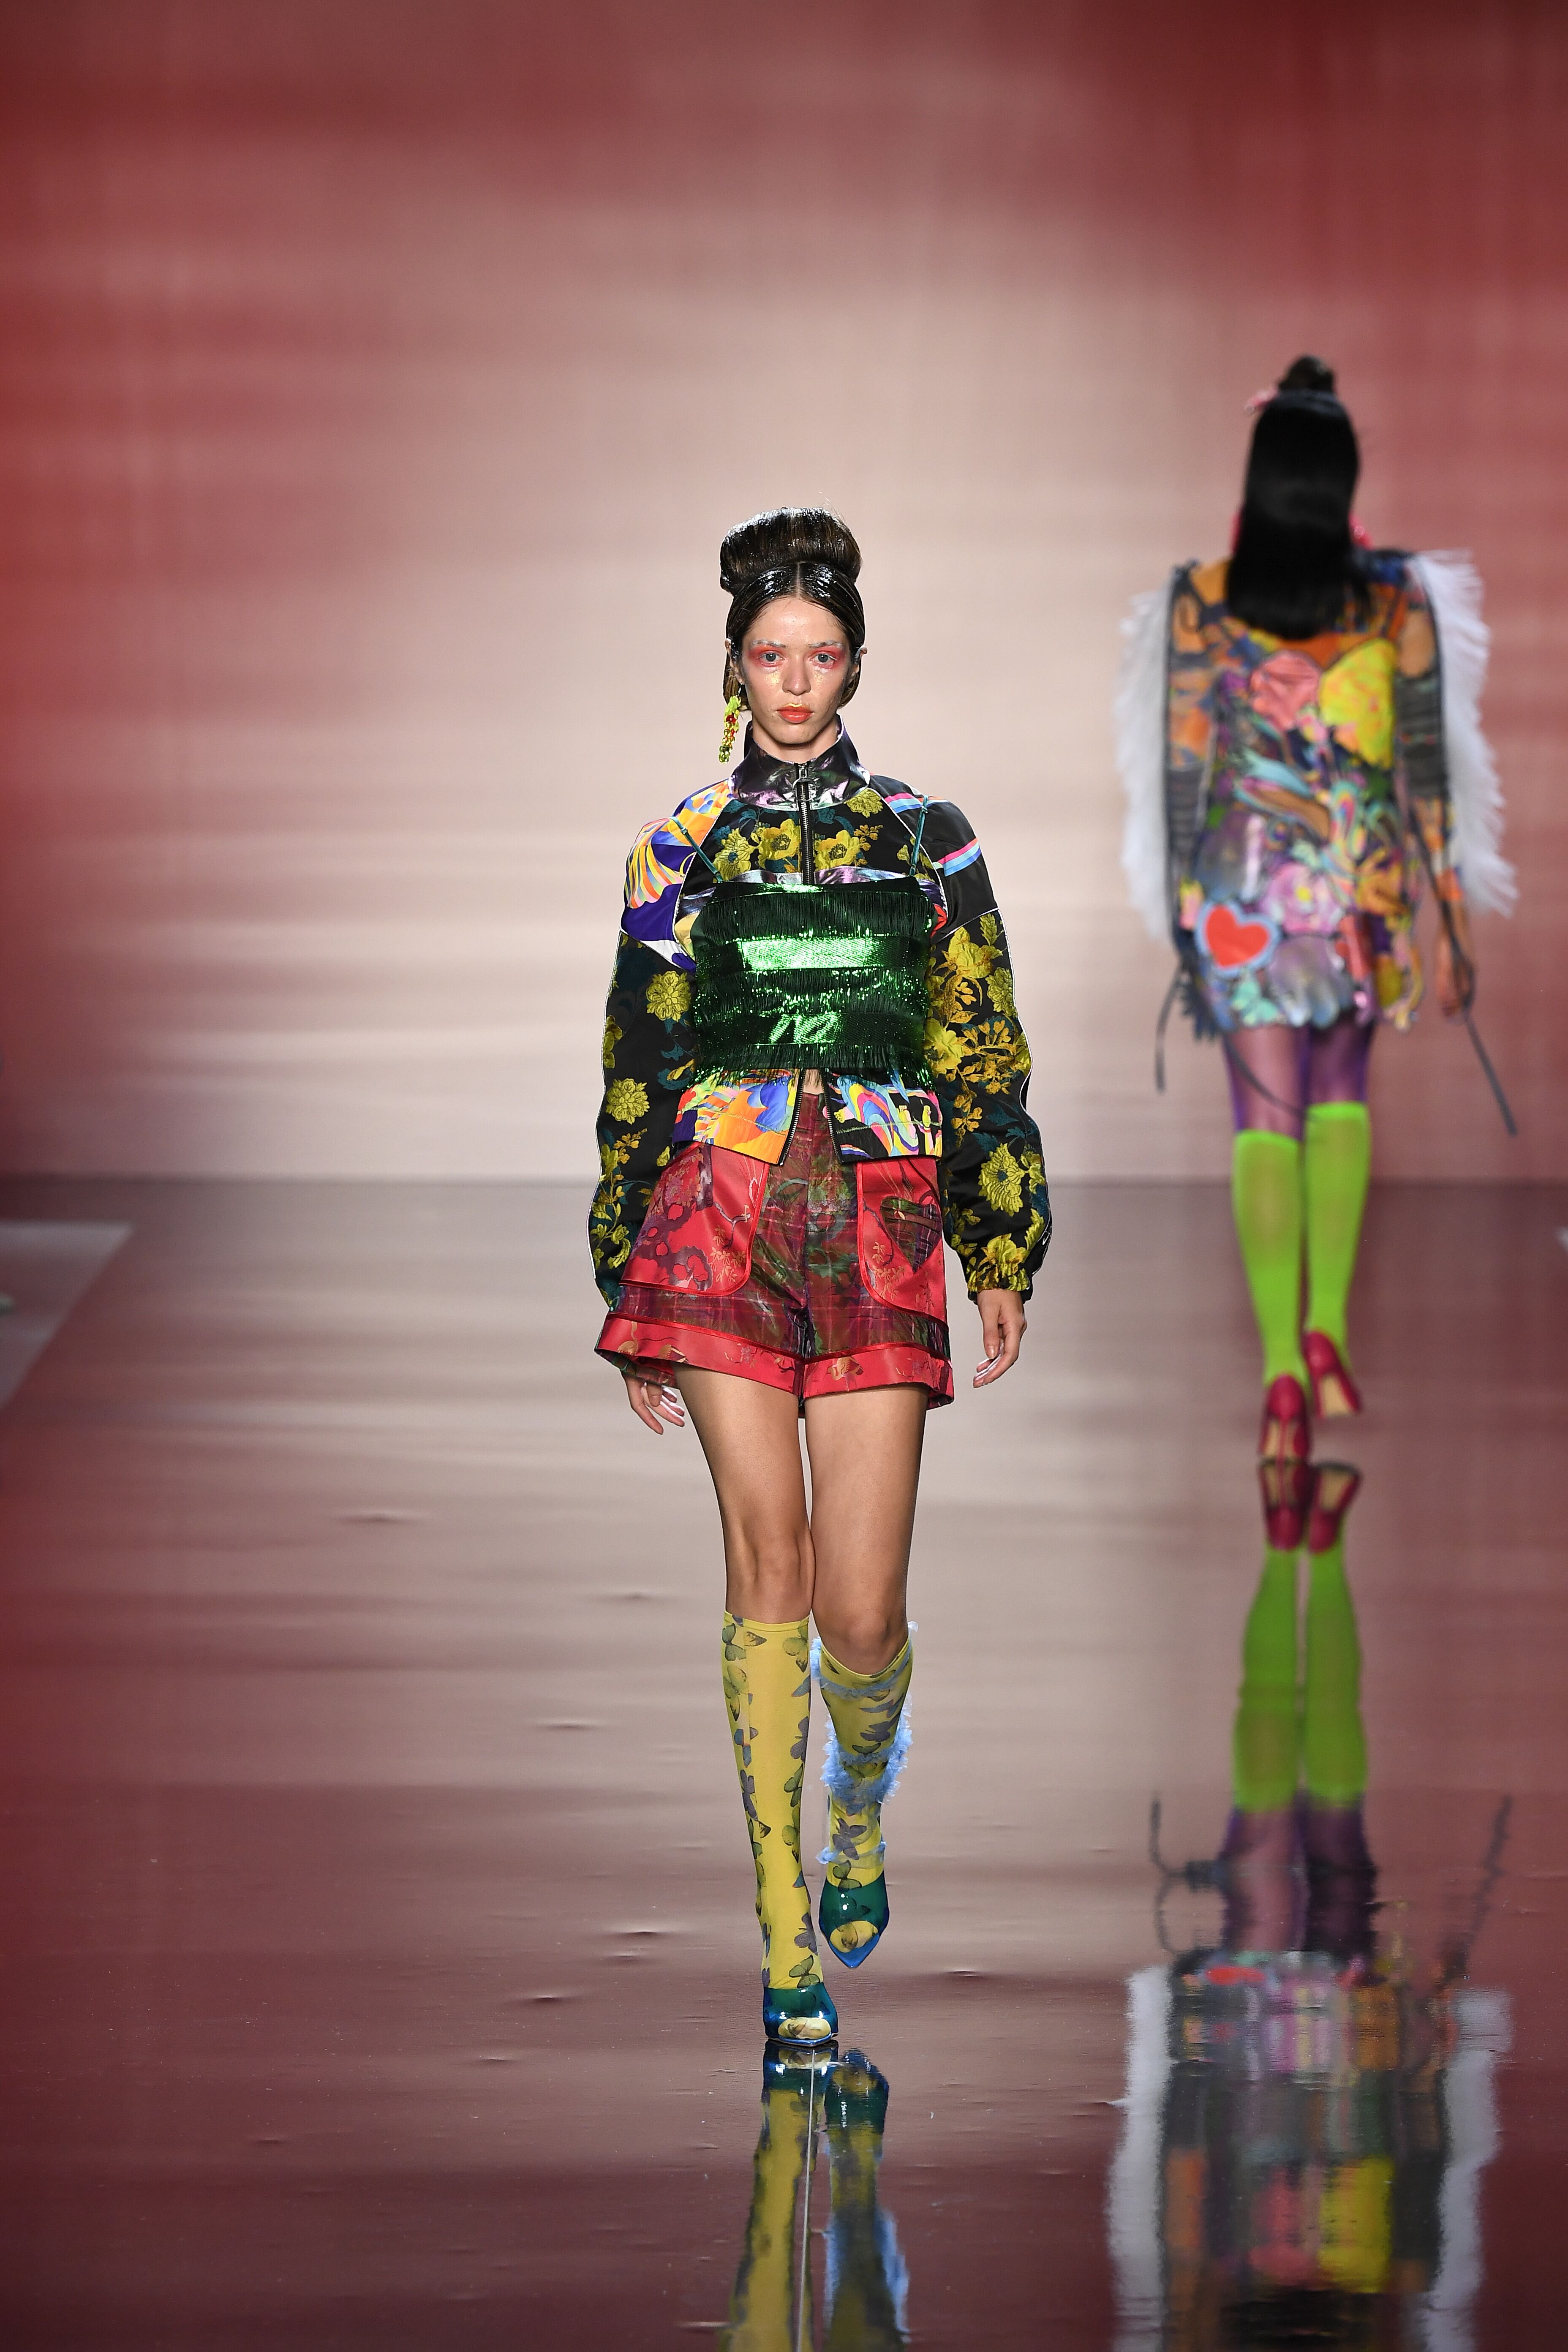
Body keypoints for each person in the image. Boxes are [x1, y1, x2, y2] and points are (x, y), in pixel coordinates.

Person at [589, 508, 1050, 2045]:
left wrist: (999, 1240)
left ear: (856, 665)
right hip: (713, 1217)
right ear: (735, 663)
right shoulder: (678, 844)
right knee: (766, 1567)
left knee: (862, 1613)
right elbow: (641, 1057)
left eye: (822, 654)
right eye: (772, 654)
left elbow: (981, 1042)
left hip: (880, 1222)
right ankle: (783, 1927)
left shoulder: (930, 840)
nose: (795, 680)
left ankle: (858, 1804)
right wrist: (625, 1269)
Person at [1118, 358, 1514, 1459]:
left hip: (1242, 899)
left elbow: (1182, 768)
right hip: (1360, 893)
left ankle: (1283, 1377)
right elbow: (1428, 771)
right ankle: (1327, 1332)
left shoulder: (1202, 598)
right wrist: (1455, 925)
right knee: (1342, 1097)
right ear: (1340, 484)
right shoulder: (1394, 597)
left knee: (1266, 1120)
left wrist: (1184, 907)